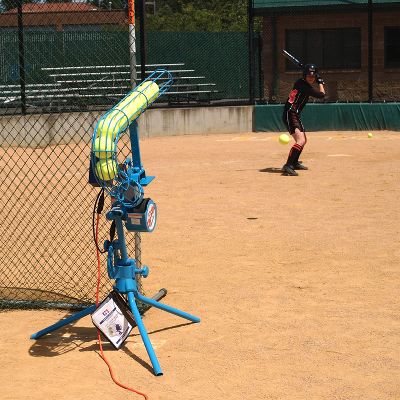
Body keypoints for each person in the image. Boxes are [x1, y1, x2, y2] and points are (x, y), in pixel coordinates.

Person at [282, 64, 325, 176]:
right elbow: (321, 95)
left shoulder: (300, 82)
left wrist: (316, 78)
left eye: (313, 76)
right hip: (290, 113)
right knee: (300, 140)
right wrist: (320, 82)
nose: (311, 78)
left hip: (294, 114)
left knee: (303, 140)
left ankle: (294, 162)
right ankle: (288, 165)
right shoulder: (304, 86)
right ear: (304, 75)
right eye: (309, 76)